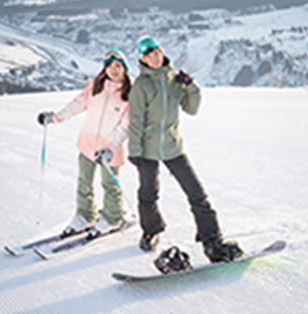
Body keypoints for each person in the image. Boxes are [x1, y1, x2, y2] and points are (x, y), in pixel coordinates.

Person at [128, 35, 243, 263]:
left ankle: (212, 241)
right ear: (143, 59)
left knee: (197, 194)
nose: (154, 56)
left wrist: (190, 86)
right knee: (148, 194)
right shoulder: (142, 85)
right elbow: (136, 120)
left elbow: (192, 108)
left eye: (157, 51)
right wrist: (135, 152)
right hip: (148, 150)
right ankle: (151, 232)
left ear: (162, 52)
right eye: (149, 54)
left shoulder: (174, 80)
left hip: (173, 146)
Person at [37, 48, 132, 237]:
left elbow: (126, 126)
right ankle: (85, 216)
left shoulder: (129, 94)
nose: (114, 70)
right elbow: (77, 104)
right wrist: (55, 117)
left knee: (110, 186)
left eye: (118, 66)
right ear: (104, 69)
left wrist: (110, 148)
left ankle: (113, 218)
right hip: (88, 144)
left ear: (125, 69)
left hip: (109, 150)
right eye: (110, 66)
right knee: (84, 183)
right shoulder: (96, 86)